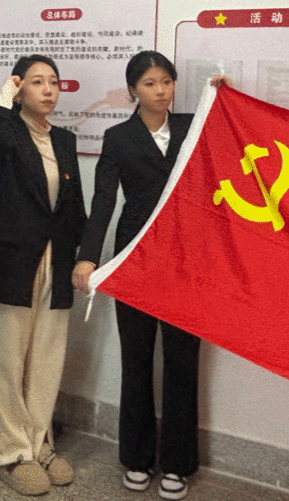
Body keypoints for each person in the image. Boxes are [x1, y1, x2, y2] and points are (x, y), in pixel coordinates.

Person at [71, 52, 200, 500]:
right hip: (135, 256)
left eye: (167, 81)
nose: (161, 90)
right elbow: (104, 200)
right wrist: (88, 257)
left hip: (186, 259)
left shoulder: (192, 128)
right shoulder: (119, 137)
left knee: (182, 362)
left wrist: (223, 94)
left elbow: (232, 143)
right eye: (149, 83)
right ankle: (137, 458)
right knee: (136, 358)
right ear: (133, 90)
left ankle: (179, 464)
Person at [0, 54, 87, 496]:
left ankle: (40, 444)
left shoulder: (63, 139)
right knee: (9, 361)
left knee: (46, 358)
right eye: (36, 81)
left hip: (56, 261)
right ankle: (10, 452)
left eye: (53, 82)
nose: (48, 89)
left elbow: (74, 206)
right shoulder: (7, 133)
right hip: (13, 261)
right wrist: (4, 98)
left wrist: (82, 257)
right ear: (20, 87)